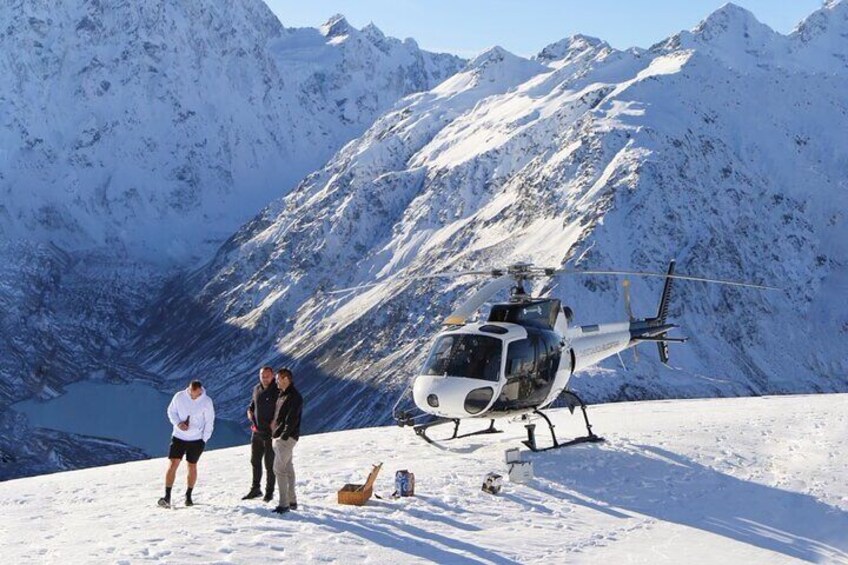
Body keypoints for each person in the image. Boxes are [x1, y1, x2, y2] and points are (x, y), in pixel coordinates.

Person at [158, 380, 215, 508]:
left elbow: (209, 421)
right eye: (192, 394)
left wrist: (204, 439)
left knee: (192, 466)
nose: (195, 396)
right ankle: (167, 496)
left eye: (198, 394)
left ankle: (188, 496)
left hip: (196, 440)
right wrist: (178, 423)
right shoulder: (179, 397)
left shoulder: (206, 401)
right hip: (179, 436)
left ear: (201, 391)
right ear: (189, 389)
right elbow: (171, 411)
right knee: (173, 464)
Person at [242, 365, 279, 502]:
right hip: (256, 432)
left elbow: (282, 408)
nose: (264, 379)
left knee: (269, 464)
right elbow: (253, 404)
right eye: (262, 376)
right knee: (255, 461)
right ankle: (255, 488)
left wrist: (275, 421)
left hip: (270, 434)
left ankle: (269, 492)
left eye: (267, 376)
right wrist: (249, 411)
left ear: (273, 376)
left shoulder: (277, 390)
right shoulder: (256, 388)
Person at [270, 368, 302, 514]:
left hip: (285, 439)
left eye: (278, 379)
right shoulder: (284, 395)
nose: (276, 381)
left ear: (285, 379)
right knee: (288, 468)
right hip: (283, 437)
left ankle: (284, 504)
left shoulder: (293, 397)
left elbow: (291, 419)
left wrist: (283, 436)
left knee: (278, 469)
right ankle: (292, 501)